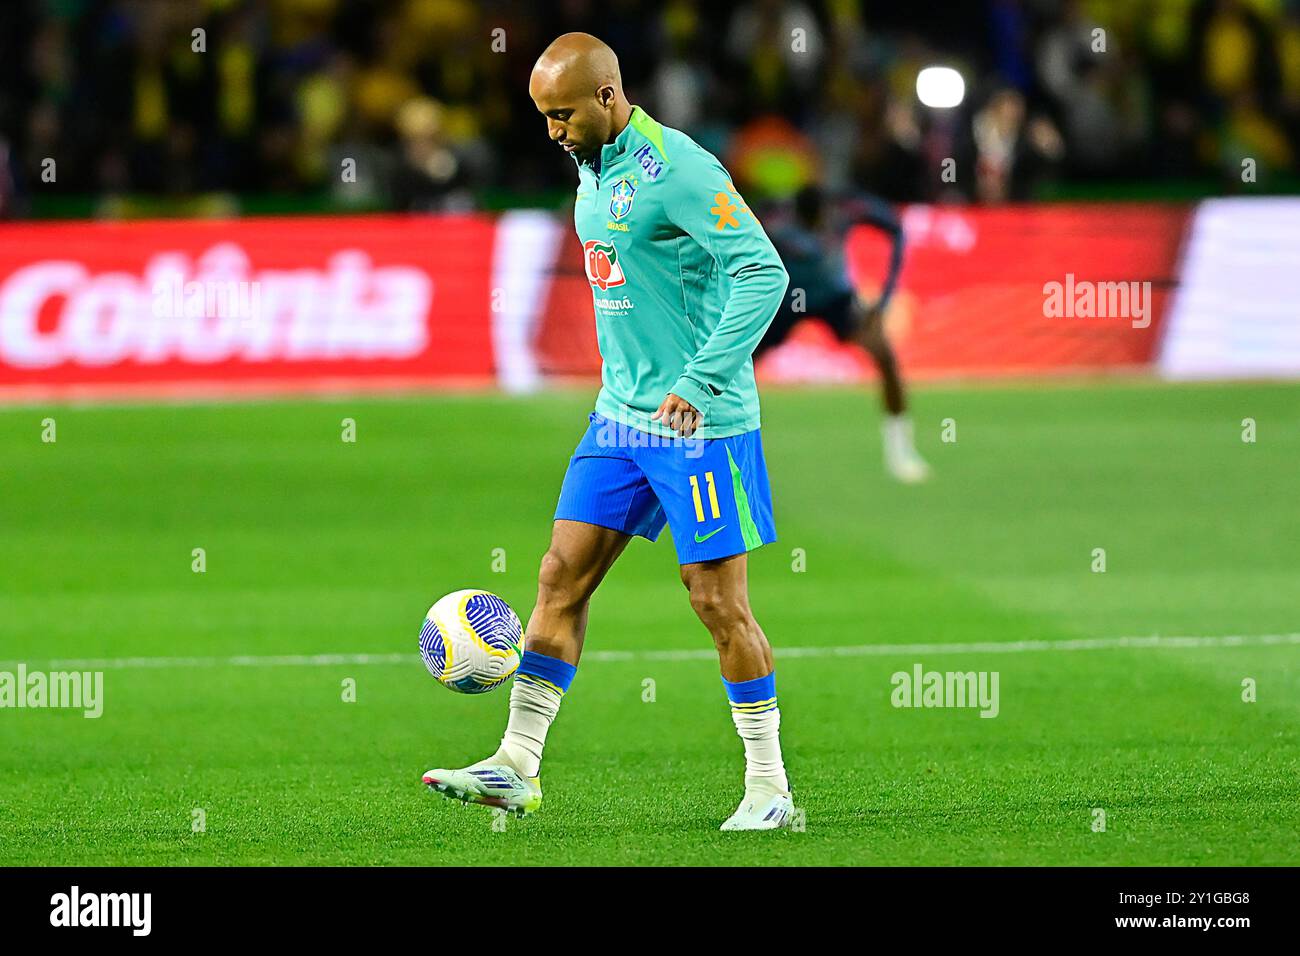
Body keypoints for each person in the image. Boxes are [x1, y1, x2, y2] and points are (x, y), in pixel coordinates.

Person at [422, 33, 796, 831]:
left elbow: (763, 271)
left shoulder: (680, 170)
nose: (553, 132)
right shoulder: (592, 168)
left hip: (700, 426)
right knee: (559, 577)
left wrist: (700, 379)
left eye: (562, 115)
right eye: (542, 118)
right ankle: (515, 765)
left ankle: (769, 788)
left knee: (715, 603)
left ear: (606, 96)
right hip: (620, 419)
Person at [758, 185, 931, 482]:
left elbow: (895, 230)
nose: (817, 227)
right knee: (734, 367)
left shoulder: (847, 208)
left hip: (835, 299)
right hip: (785, 299)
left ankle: (901, 451)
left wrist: (885, 298)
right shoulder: (772, 215)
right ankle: (716, 447)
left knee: (885, 356)